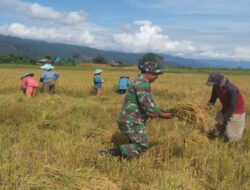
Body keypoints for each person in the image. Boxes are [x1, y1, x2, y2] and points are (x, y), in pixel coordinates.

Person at [98, 62, 174, 158]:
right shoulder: (141, 83)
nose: (157, 77)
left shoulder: (140, 80)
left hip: (130, 119)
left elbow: (149, 104)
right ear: (148, 73)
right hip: (132, 120)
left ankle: (125, 161)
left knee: (134, 143)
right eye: (155, 74)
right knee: (141, 146)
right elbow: (146, 105)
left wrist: (161, 111)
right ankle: (107, 154)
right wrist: (162, 115)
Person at [206, 72, 245, 142]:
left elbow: (233, 106)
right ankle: (216, 141)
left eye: (214, 84)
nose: (213, 86)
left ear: (220, 83)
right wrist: (205, 110)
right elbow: (212, 100)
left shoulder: (232, 89)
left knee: (230, 137)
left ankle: (231, 143)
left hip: (237, 112)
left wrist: (224, 119)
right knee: (211, 131)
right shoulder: (216, 88)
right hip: (225, 109)